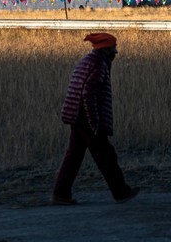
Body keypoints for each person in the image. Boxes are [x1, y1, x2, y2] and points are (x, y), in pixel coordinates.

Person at [51, 32, 139, 205]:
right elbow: (88, 94)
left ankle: (60, 194)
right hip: (85, 116)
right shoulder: (99, 65)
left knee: (74, 155)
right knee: (106, 155)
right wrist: (94, 122)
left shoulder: (88, 60)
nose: (116, 52)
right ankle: (121, 192)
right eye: (114, 48)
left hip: (76, 115)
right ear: (106, 49)